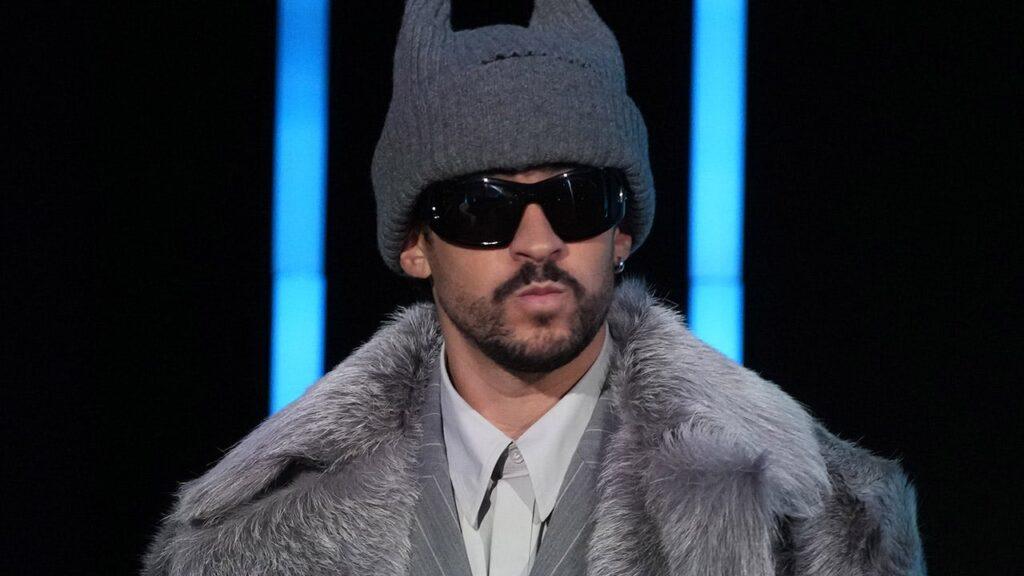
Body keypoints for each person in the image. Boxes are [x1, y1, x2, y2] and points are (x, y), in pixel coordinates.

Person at [144, 1, 925, 574]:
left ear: (622, 231)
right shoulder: (240, 538)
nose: (539, 241)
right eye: (484, 209)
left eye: (577, 199)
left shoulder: (816, 520)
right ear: (415, 245)